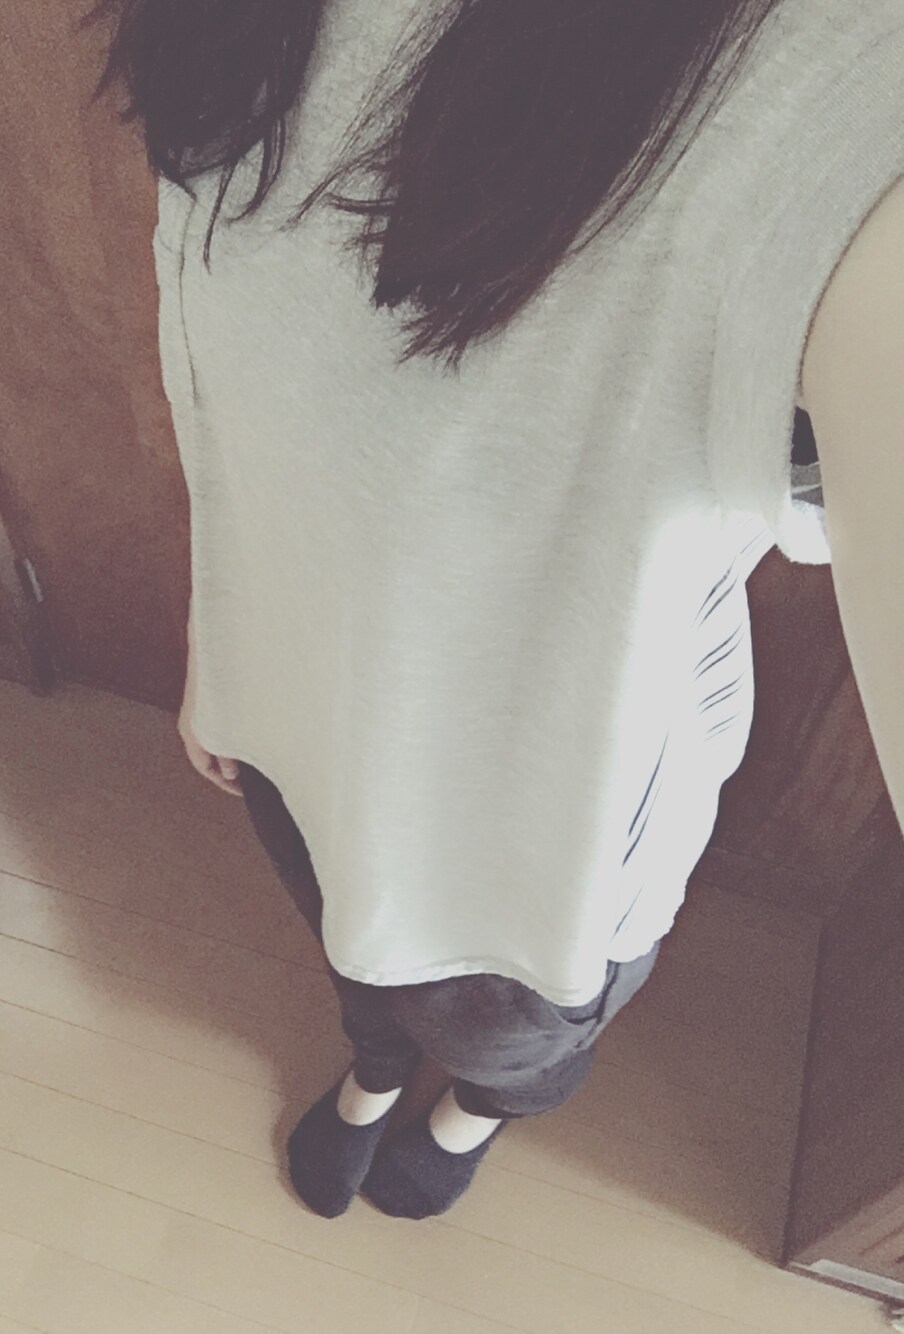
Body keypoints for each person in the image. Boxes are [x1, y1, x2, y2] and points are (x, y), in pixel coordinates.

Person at [85, 0, 904, 1220]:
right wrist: (222, 633)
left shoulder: (829, 75)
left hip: (541, 832)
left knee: (509, 1038)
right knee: (349, 945)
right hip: (296, 714)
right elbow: (244, 403)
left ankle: (471, 1111)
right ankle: (373, 1069)